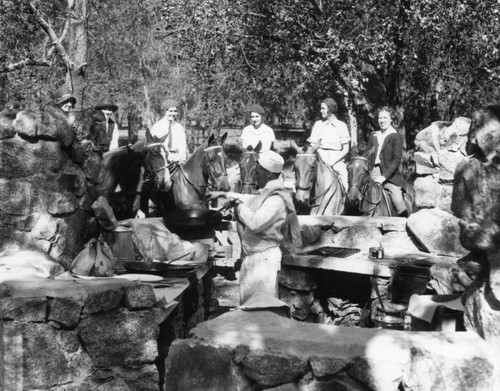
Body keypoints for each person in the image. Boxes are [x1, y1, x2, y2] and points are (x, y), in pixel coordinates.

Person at [206, 150, 302, 305]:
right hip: (255, 258)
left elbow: (255, 223)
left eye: (257, 172)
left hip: (263, 262)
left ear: (269, 175)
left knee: (259, 309)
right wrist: (223, 195)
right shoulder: (270, 191)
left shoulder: (276, 198)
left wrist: (239, 206)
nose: (255, 176)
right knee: (249, 306)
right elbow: (253, 199)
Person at [365, 106, 408, 217]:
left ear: (391, 119)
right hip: (372, 172)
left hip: (390, 176)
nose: (382, 120)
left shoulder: (396, 136)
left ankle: (405, 224)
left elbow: (396, 160)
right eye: (380, 118)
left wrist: (383, 177)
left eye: (385, 117)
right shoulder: (373, 135)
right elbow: (367, 155)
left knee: (397, 201)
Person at [307, 98, 350, 190]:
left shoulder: (341, 126)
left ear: (330, 109)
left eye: (323, 108)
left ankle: (345, 202)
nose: (320, 111)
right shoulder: (318, 124)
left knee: (346, 182)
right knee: (304, 175)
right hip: (319, 158)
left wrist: (333, 161)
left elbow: (346, 149)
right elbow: (312, 146)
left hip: (336, 160)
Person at [150, 99, 187, 163]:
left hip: (177, 160)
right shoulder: (157, 127)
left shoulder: (179, 127)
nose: (173, 114)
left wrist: (182, 157)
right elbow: (154, 148)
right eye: (170, 111)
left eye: (175, 111)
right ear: (164, 112)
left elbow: (182, 146)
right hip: (161, 160)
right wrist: (166, 156)